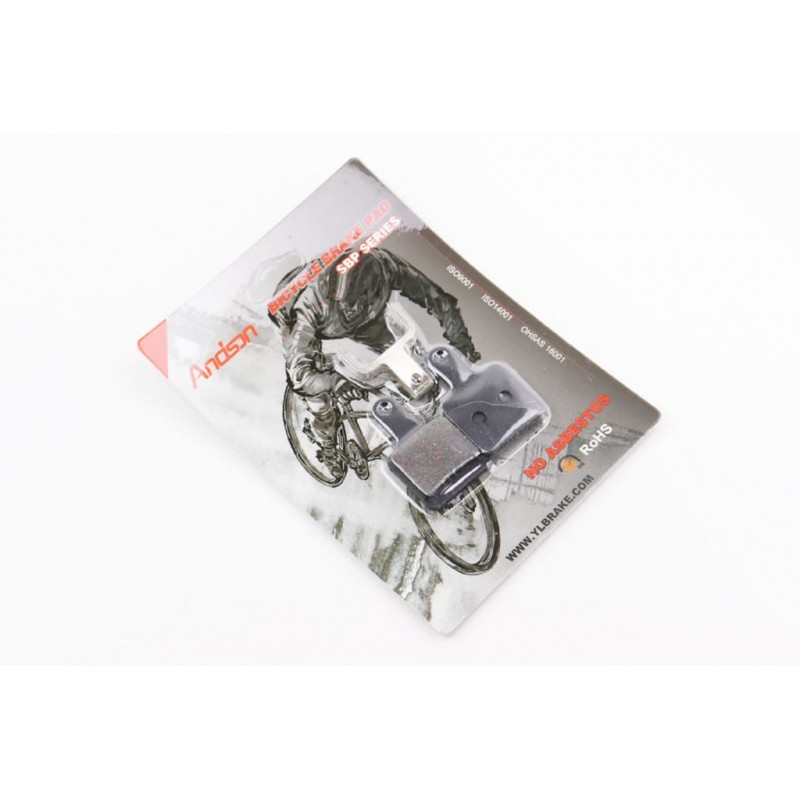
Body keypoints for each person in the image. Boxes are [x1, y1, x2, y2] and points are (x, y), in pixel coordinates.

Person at [271, 248, 480, 478]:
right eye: (354, 303)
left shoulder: (387, 265)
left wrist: (462, 344)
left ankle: (426, 418)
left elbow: (438, 299)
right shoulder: (309, 304)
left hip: (367, 321)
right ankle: (327, 446)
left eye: (368, 296)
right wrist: (336, 382)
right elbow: (299, 374)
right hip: (309, 322)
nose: (360, 304)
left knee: (409, 369)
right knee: (317, 393)